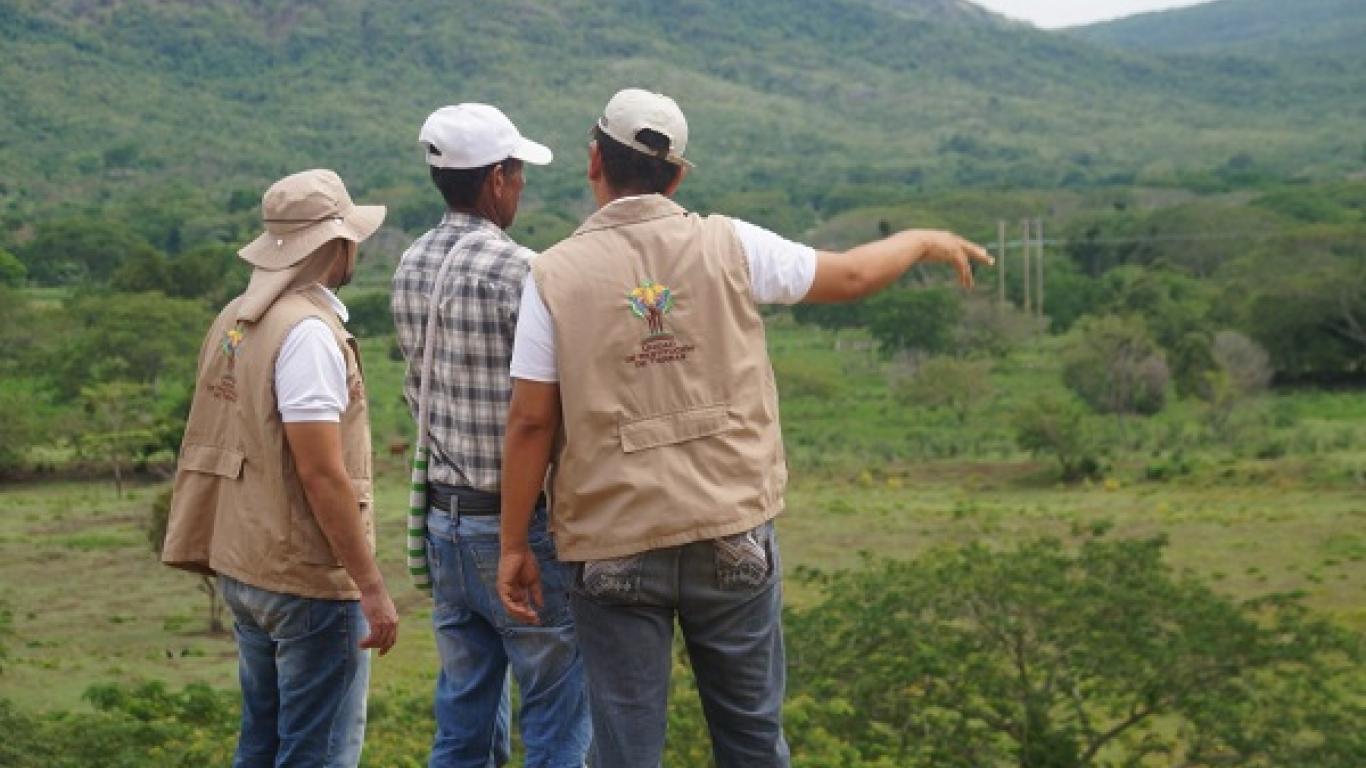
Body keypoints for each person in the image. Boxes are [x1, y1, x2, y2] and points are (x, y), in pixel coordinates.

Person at [496, 88, 992, 767]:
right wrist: (921, 239)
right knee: (753, 738)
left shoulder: (552, 274)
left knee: (625, 750)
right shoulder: (731, 244)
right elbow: (847, 277)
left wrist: (513, 543)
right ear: (676, 175)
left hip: (612, 540)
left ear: (592, 162)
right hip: (730, 528)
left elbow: (529, 421)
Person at [161, 168, 399, 768]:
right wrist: (370, 586)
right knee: (316, 753)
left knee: (262, 744)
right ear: (333, 245)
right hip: (304, 580)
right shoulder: (310, 335)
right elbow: (321, 473)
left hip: (242, 562)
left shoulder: (235, 318)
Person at [391, 103, 591, 768]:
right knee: (557, 716)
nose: (523, 186)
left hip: (443, 527)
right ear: (497, 179)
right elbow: (540, 413)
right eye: (518, 173)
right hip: (514, 529)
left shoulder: (409, 263)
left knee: (463, 720)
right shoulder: (523, 271)